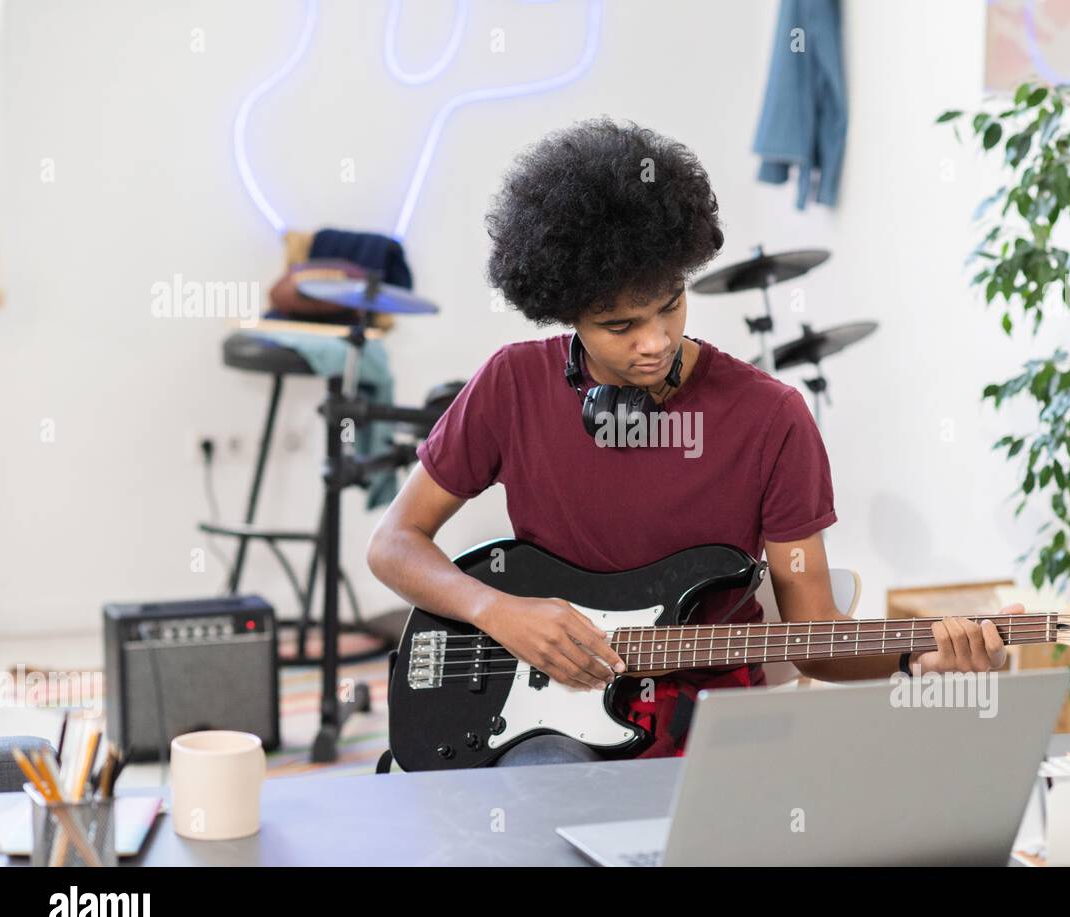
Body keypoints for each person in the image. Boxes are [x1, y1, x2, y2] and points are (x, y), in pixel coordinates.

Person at [367, 117, 1021, 766]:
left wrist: (918, 654)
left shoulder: (772, 418)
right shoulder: (512, 383)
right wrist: (495, 610)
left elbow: (814, 637)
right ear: (566, 312)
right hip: (549, 723)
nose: (653, 343)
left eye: (670, 306)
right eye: (619, 324)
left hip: (712, 729)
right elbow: (394, 545)